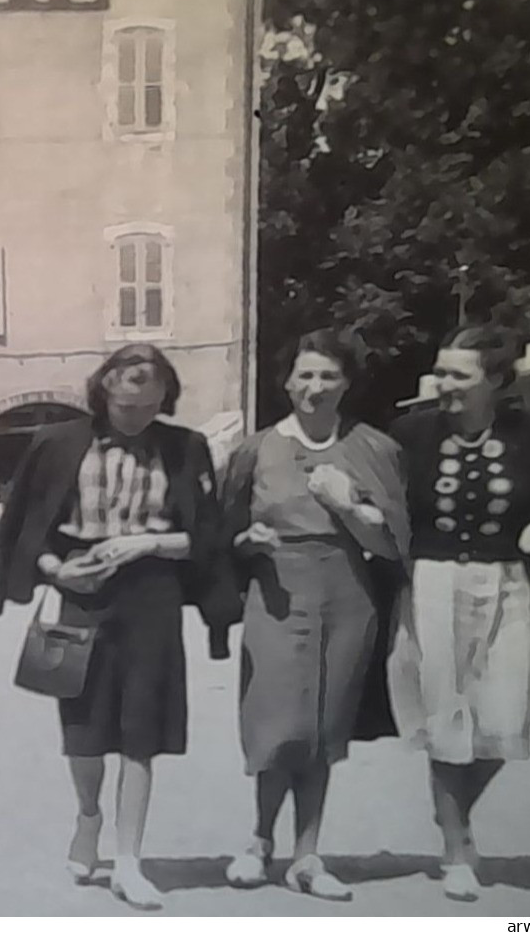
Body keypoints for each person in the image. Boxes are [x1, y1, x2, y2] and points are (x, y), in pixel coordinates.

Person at [0, 344, 239, 911]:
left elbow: (207, 536)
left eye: (149, 406)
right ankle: (89, 814)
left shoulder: (186, 448)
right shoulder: (58, 443)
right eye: (125, 404)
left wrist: (149, 542)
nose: (136, 417)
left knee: (140, 730)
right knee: (83, 729)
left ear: (163, 400)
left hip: (153, 594)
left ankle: (128, 860)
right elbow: (26, 524)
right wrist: (56, 573)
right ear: (103, 391)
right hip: (82, 591)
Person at [221, 329, 410, 900]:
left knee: (326, 728)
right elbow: (223, 528)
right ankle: (259, 842)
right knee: (278, 724)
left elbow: (394, 539)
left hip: (349, 594)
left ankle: (308, 853)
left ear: (347, 383)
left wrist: (347, 503)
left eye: (328, 375)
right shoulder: (255, 450)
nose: (315, 387)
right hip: (277, 592)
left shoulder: (374, 449)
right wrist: (246, 540)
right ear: (286, 382)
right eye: (305, 375)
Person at [387, 325, 530, 902]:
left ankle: (452, 813)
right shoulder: (410, 433)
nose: (443, 385)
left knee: (503, 715)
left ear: (494, 379)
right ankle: (456, 847)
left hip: (507, 580)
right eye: (441, 372)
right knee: (446, 713)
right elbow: (388, 501)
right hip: (433, 581)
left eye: (457, 375)